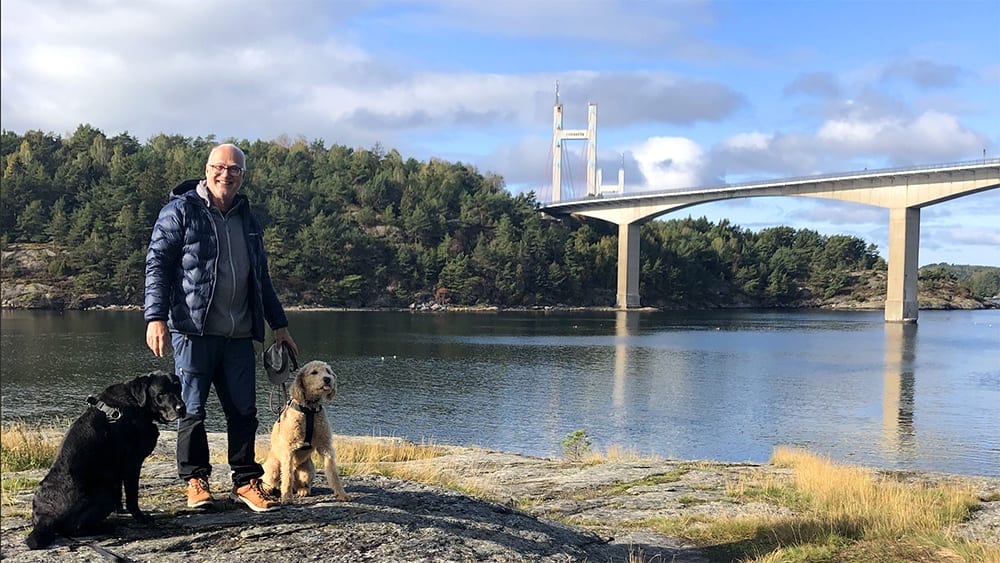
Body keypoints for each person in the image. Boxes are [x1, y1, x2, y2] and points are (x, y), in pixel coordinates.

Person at [144, 143, 298, 512]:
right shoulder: (179, 211)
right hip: (193, 333)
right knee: (192, 409)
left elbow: (261, 277)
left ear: (242, 177)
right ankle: (195, 481)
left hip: (239, 335)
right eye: (219, 167)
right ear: (207, 169)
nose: (225, 174)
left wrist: (280, 325)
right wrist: (155, 317)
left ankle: (245, 482)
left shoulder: (248, 219)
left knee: (244, 412)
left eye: (234, 170)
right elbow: (158, 266)